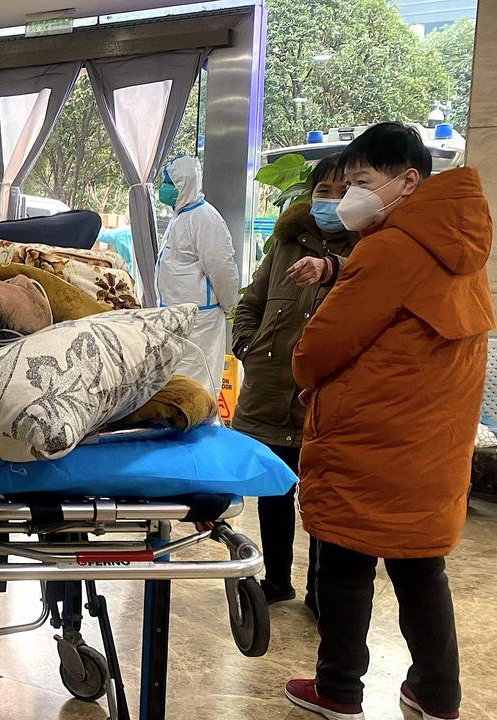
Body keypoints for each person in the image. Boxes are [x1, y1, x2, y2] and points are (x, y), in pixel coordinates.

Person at [284, 122, 493, 720]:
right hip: (432, 440)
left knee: (346, 563)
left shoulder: (392, 248)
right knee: (422, 569)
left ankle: (339, 689)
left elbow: (323, 344)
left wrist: (307, 377)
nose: (350, 196)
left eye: (362, 182)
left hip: (372, 439)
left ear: (407, 181)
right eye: (347, 183)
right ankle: (436, 694)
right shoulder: (457, 244)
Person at [230, 154, 360, 614]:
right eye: (323, 191)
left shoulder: (368, 248)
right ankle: (277, 580)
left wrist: (332, 267)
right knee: (275, 493)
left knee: (322, 499)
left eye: (343, 191)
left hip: (323, 397)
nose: (331, 200)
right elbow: (252, 302)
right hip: (269, 388)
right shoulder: (286, 243)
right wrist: (247, 344)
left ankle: (320, 591)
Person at [154, 155, 240, 396]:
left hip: (200, 322)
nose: (165, 188)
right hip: (176, 317)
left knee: (198, 384)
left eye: (169, 182)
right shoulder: (180, 217)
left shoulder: (205, 218)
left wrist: (229, 304)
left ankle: (199, 429)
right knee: (177, 382)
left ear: (185, 183)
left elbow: (222, 268)